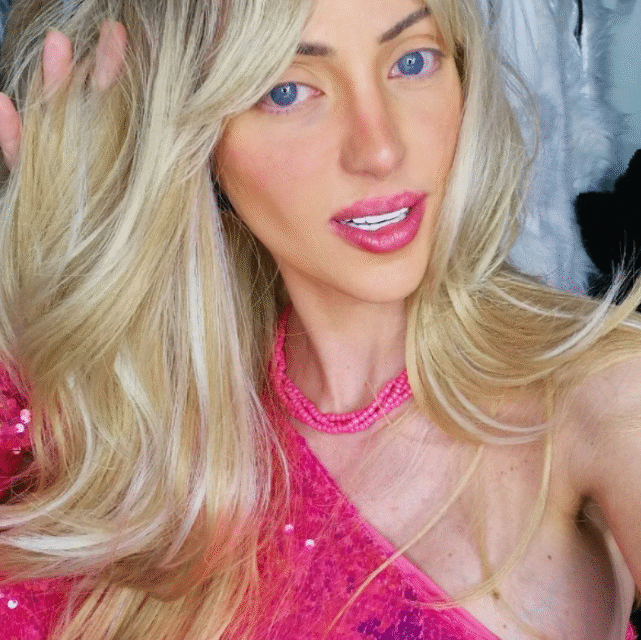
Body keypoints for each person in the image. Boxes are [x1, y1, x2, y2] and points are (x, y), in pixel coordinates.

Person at [0, 0, 640, 639]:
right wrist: (76, 285)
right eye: (287, 91)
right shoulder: (142, 423)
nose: (380, 149)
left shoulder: (597, 398)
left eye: (413, 61)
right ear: (191, 137)